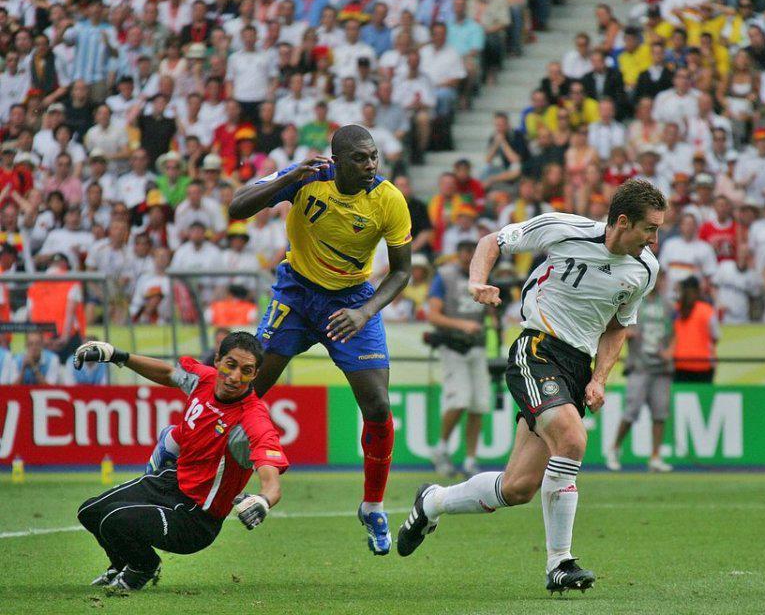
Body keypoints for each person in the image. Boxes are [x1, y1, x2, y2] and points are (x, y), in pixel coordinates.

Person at [397, 180, 666, 595]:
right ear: (623, 221)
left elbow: (617, 328)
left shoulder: (645, 270)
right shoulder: (566, 228)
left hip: (576, 368)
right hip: (537, 348)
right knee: (572, 439)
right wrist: (477, 282)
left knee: (518, 487)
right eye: (650, 229)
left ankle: (432, 501)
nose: (654, 240)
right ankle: (560, 563)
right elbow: (492, 241)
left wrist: (599, 378)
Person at [228, 125, 412, 555]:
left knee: (378, 405)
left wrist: (365, 312)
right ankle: (209, 475)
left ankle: (373, 506)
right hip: (296, 294)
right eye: (360, 158)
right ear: (337, 160)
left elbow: (402, 270)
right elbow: (237, 207)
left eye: (374, 156)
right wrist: (289, 178)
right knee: (247, 392)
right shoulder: (307, 177)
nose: (370, 165)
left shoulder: (388, 199)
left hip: (351, 302)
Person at [74, 332, 289, 591]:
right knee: (89, 512)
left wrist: (264, 500)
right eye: (230, 365)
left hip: (196, 518)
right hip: (170, 483)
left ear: (255, 375)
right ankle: (120, 565)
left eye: (246, 371)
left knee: (114, 519)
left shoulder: (252, 420)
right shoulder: (204, 379)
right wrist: (118, 355)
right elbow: (168, 374)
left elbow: (272, 483)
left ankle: (143, 567)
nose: (235, 377)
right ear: (218, 360)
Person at [426, 240, 491, 478]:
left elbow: (491, 309)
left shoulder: (485, 276)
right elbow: (433, 316)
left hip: (478, 346)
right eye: (464, 252)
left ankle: (471, 460)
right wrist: (462, 325)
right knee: (460, 400)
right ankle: (441, 449)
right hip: (453, 345)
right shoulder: (445, 276)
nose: (467, 256)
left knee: (479, 404)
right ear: (458, 254)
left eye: (472, 252)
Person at [606, 270, 674, 473]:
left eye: (661, 278)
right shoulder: (635, 301)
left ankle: (655, 456)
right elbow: (615, 324)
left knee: (660, 413)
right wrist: (627, 332)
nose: (659, 282)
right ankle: (615, 448)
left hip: (661, 368)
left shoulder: (668, 305)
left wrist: (670, 351)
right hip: (639, 365)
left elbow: (675, 332)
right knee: (631, 411)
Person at [672, 276, 720, 383]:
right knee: (702, 393)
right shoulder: (707, 310)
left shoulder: (676, 310)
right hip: (703, 363)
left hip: (680, 362)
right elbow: (716, 336)